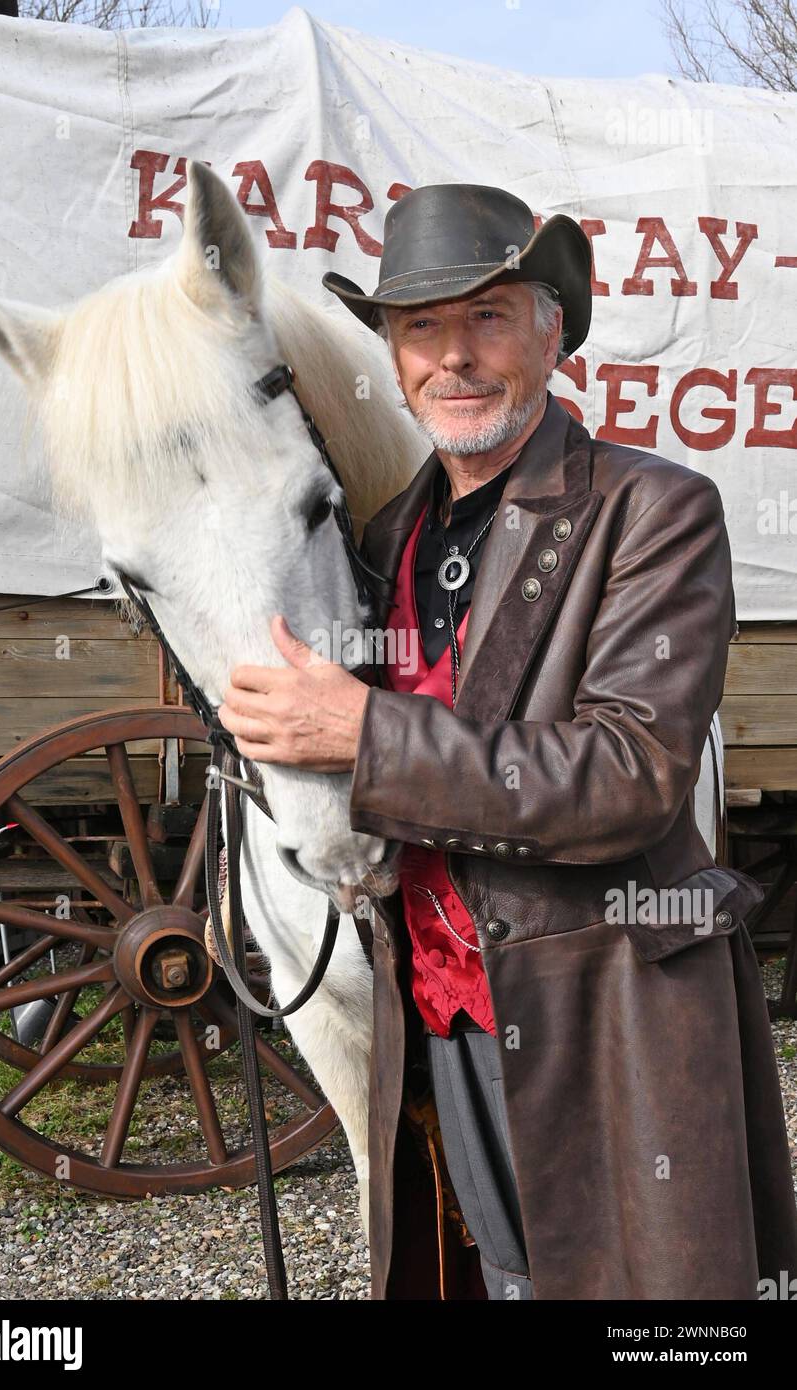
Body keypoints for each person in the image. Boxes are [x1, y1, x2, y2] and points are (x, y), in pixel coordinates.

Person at [217, 183, 797, 1300]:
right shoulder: (387, 539)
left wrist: (365, 730)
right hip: (440, 1019)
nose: (454, 358)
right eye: (421, 328)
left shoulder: (652, 511)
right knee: (502, 1278)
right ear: (389, 357)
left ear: (550, 333)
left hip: (608, 1013)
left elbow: (627, 778)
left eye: (488, 318)